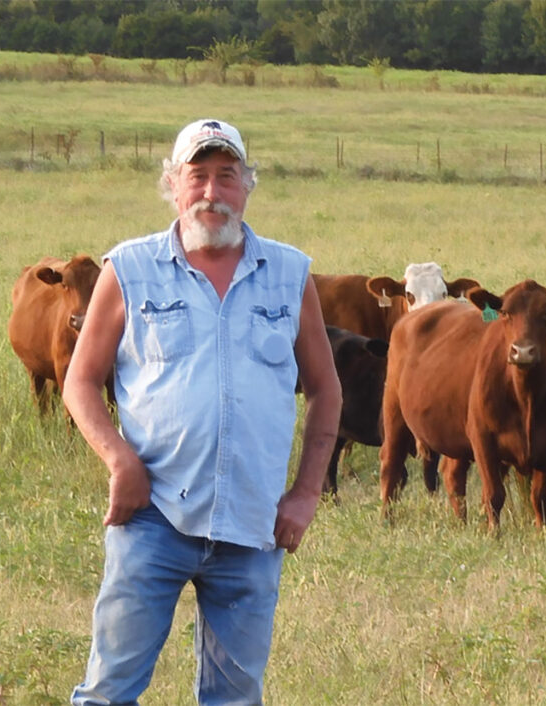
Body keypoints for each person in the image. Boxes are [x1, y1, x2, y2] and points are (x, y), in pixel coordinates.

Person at [64, 118, 343, 705]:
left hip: (253, 525)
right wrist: (121, 462)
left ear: (248, 186)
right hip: (152, 517)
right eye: (198, 177)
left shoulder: (290, 276)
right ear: (172, 184)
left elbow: (326, 390)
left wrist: (305, 494)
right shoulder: (128, 269)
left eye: (227, 176)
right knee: (109, 690)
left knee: (235, 698)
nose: (212, 193)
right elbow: (80, 382)